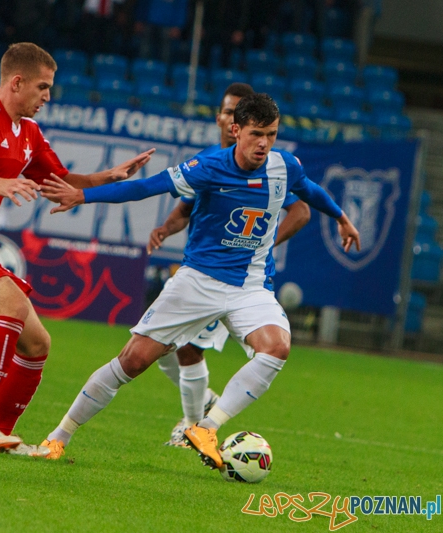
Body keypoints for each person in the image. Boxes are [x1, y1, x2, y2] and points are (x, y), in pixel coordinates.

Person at [39, 93, 360, 467]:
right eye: (257, 134)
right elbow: (147, 187)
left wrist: (340, 217)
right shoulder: (207, 165)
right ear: (236, 130)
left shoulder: (283, 166)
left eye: (271, 135)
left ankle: (205, 427)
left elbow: (309, 191)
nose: (264, 144)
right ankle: (58, 437)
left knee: (276, 347)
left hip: (250, 287)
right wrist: (83, 195)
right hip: (198, 282)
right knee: (133, 361)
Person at [0, 42, 154, 454]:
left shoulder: (29, 134)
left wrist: (109, 176)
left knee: (37, 342)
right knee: (12, 305)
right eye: (42, 87)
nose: (47, 97)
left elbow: (60, 183)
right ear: (16, 82)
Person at [148, 83, 311, 448]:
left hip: (236, 279)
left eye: (235, 112)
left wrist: (264, 243)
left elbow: (301, 209)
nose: (227, 117)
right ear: (224, 119)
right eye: (224, 110)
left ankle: (193, 426)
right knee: (166, 354)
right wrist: (165, 228)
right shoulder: (208, 161)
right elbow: (185, 209)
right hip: (200, 270)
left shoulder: (270, 167)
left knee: (188, 349)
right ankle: (202, 406)